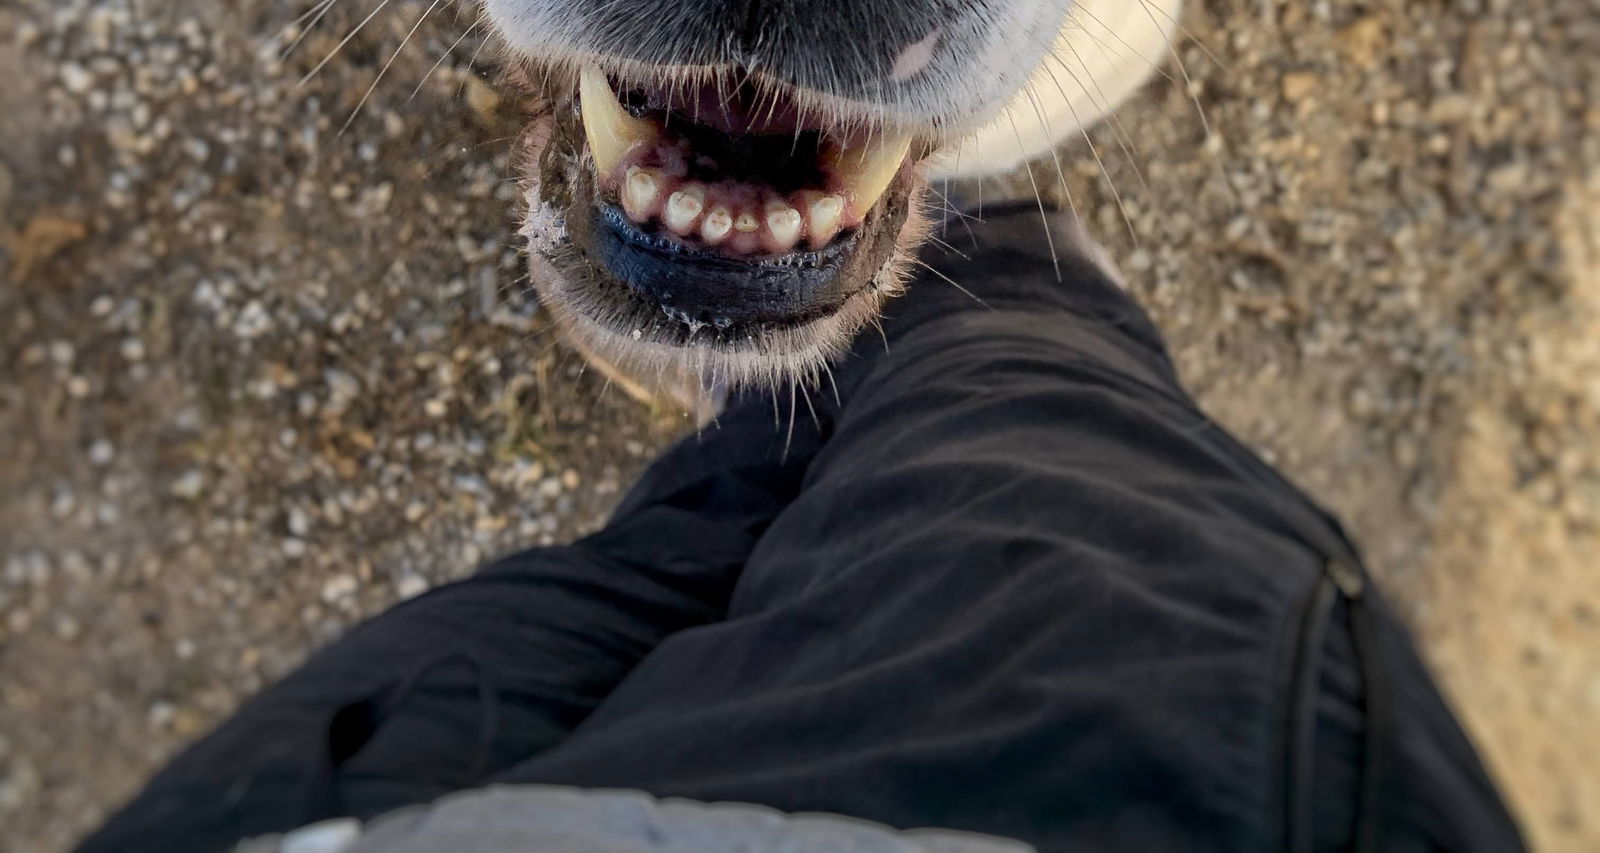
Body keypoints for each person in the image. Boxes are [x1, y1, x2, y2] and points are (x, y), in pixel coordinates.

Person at [77, 202, 1524, 853]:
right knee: (1025, 415)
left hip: (341, 816)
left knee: (673, 549)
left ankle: (789, 349)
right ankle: (983, 264)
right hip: (1117, 793)